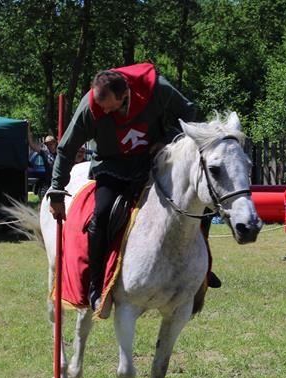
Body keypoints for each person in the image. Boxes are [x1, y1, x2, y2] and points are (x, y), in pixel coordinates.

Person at [47, 63, 198, 310]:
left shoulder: (157, 89)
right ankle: (96, 287)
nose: (102, 110)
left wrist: (166, 139)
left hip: (155, 162)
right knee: (102, 215)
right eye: (100, 104)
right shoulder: (91, 106)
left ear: (125, 94)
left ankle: (199, 271)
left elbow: (189, 112)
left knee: (190, 201)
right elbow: (67, 147)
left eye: (108, 105)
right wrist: (56, 190)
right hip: (111, 166)